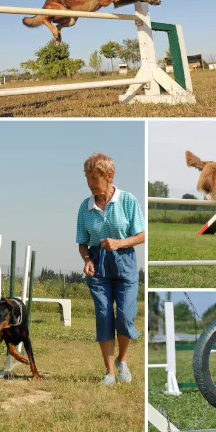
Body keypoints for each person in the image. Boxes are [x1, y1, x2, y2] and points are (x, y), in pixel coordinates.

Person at [76, 153, 145, 385]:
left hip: (124, 261)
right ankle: (110, 373)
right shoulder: (85, 208)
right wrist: (87, 259)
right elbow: (82, 242)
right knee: (104, 315)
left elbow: (142, 235)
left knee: (125, 317)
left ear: (109, 176)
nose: (90, 183)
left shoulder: (128, 201)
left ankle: (122, 361)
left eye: (94, 178)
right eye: (87, 178)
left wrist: (119, 242)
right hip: (98, 264)